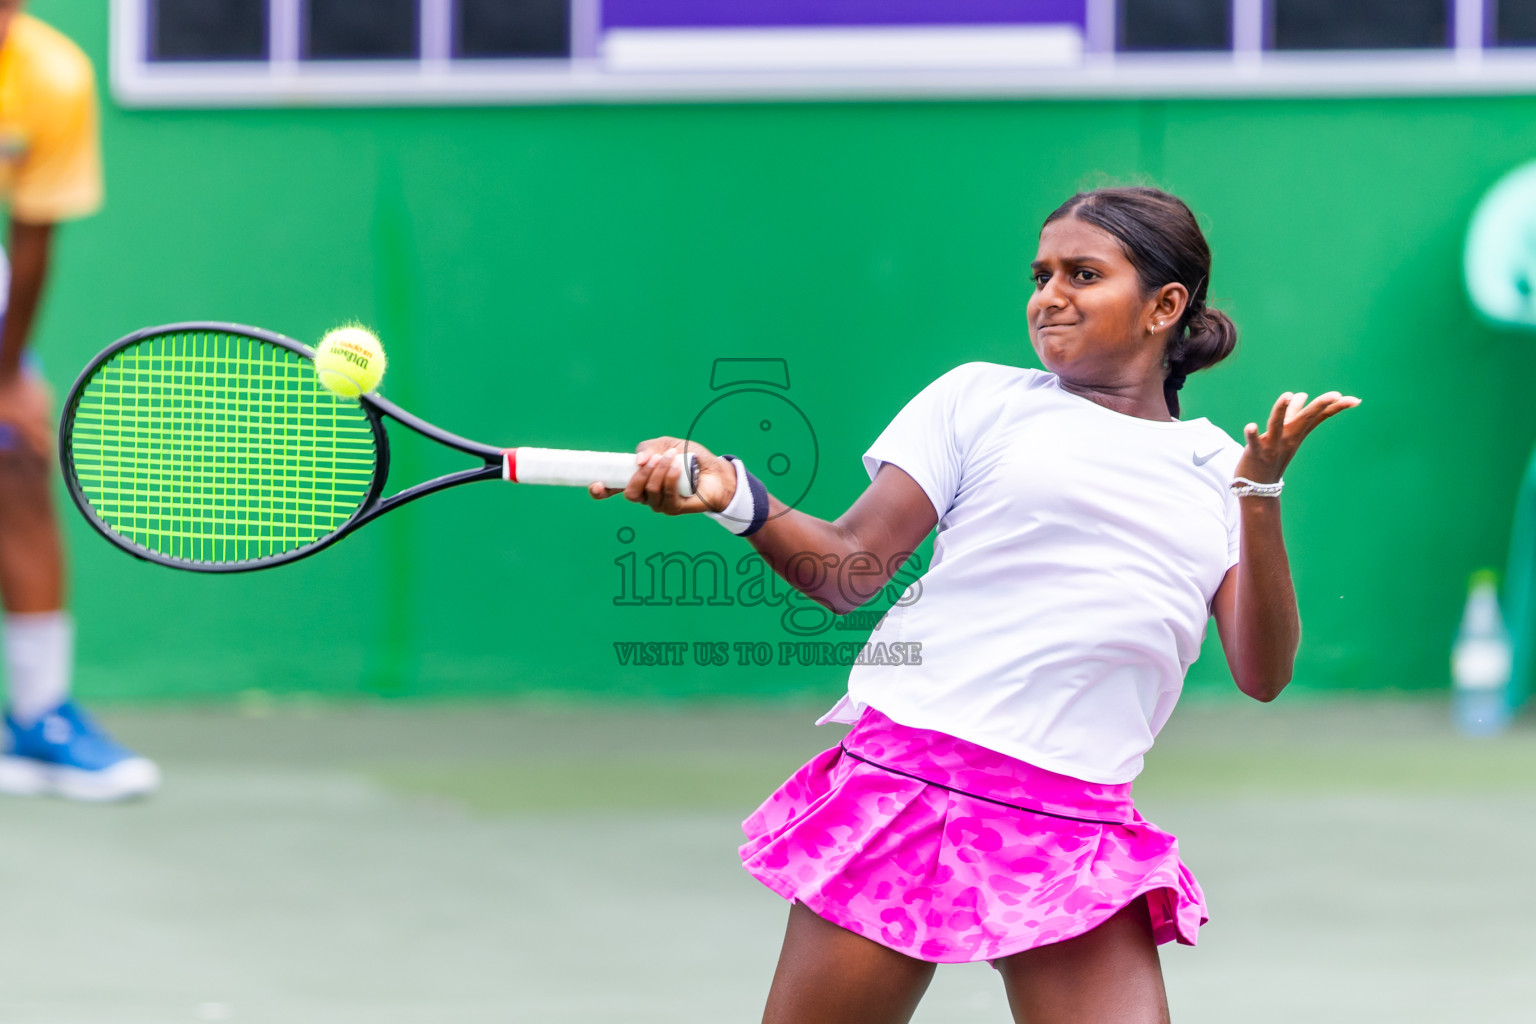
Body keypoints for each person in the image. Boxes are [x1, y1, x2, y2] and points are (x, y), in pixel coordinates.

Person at [596, 186, 1358, 1022]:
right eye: (1041, 275)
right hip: (910, 782)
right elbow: (847, 571)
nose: (1049, 296)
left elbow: (1262, 672)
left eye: (1083, 274)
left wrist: (1258, 492)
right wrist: (739, 496)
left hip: (1075, 821)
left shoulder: (1217, 469)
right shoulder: (977, 400)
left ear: (1164, 306)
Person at [0, 1, 159, 801]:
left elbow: (31, 239)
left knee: (15, 461)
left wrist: (4, 378)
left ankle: (37, 717)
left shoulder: (50, 76)